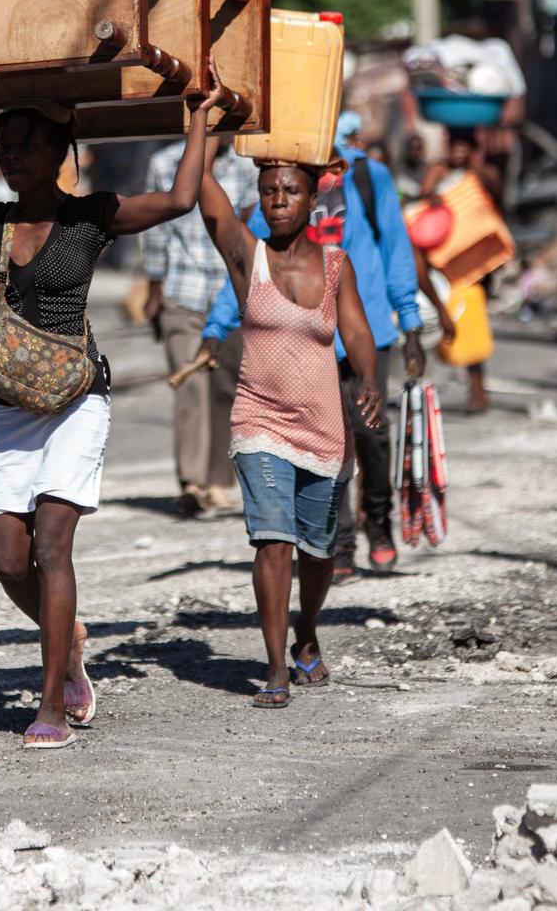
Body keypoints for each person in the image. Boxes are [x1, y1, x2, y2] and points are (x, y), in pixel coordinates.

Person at [0, 82, 228, 748]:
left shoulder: (93, 217)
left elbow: (177, 199)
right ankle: (69, 641)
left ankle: (51, 704)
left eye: (27, 145)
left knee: (53, 547)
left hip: (79, 399)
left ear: (59, 151)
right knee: (8, 559)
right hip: (13, 408)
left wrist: (197, 121)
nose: (12, 156)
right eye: (5, 147)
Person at [189, 133, 385, 707]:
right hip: (259, 420)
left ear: (310, 200)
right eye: (269, 190)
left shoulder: (335, 266)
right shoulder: (247, 260)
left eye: (290, 190)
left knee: (317, 551)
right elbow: (207, 197)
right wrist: (199, 122)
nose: (278, 200)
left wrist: (369, 379)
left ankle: (306, 634)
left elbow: (357, 332)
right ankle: (275, 665)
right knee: (272, 541)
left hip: (323, 425)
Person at [199, 117, 426, 577]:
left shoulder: (366, 176)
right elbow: (252, 267)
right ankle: (339, 545)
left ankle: (377, 522)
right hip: (306, 342)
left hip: (369, 326)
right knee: (332, 441)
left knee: (370, 434)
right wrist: (217, 325)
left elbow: (397, 249)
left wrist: (413, 326)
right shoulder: (278, 186)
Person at [140, 136, 259, 517]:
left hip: (231, 293)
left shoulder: (248, 165)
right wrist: (154, 287)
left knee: (227, 388)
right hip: (184, 291)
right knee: (190, 384)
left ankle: (218, 480)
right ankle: (191, 481)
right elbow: (155, 233)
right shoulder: (165, 163)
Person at [422, 128, 502, 414]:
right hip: (442, 260)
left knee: (474, 324)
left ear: (472, 149)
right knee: (435, 321)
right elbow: (423, 197)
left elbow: (497, 194)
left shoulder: (482, 174)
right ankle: (423, 389)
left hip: (474, 261)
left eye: (463, 147)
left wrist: (477, 171)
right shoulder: (439, 172)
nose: (458, 152)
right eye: (453, 146)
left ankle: (477, 388)